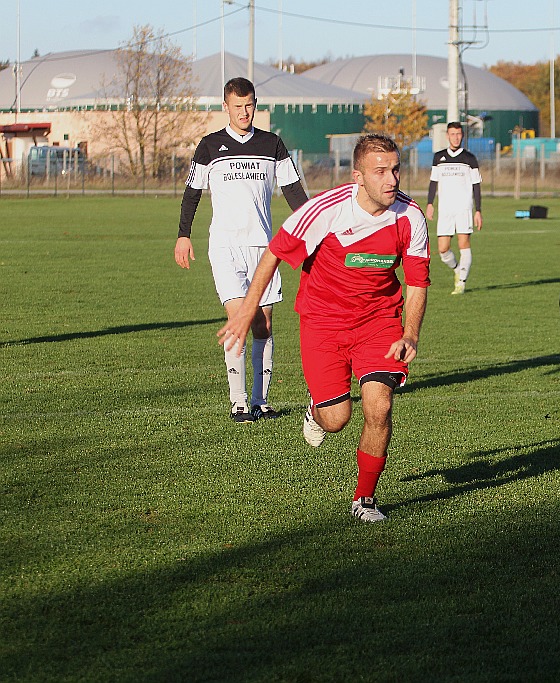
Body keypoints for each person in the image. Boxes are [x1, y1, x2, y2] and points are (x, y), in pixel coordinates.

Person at [217, 134, 429, 523]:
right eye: (380, 171)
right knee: (337, 419)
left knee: (379, 406)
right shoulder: (326, 210)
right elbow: (276, 252)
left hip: (378, 322)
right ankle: (317, 411)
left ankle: (364, 499)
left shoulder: (410, 216)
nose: (392, 179)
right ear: (358, 177)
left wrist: (410, 332)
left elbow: (416, 282)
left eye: (395, 169)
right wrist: (247, 309)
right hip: (323, 323)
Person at [175, 77, 308, 423]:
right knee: (238, 321)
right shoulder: (209, 146)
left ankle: (261, 401)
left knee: (263, 324)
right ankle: (238, 401)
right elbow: (192, 193)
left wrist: (313, 228)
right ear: (226, 107)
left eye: (249, 105)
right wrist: (183, 235)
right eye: (237, 106)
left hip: (265, 249)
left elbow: (293, 190)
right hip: (225, 246)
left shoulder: (272, 144)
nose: (244, 112)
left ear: (255, 104)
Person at [424, 121, 482, 294]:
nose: (456, 137)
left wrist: (478, 210)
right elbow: (433, 182)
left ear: (462, 136)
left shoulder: (469, 158)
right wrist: (430, 204)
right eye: (452, 134)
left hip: (464, 208)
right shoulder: (438, 157)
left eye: (458, 134)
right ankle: (457, 269)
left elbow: (476, 186)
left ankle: (461, 282)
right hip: (445, 209)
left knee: (464, 243)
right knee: (442, 249)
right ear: (447, 135)